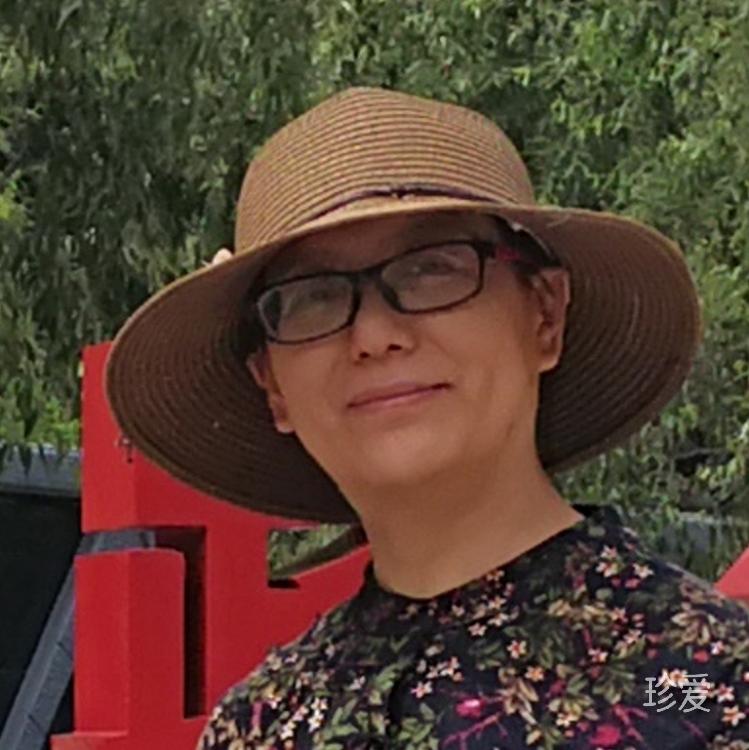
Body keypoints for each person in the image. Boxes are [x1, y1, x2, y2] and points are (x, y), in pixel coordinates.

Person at [104, 87, 749, 748]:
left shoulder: (706, 681)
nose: (375, 334)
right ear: (272, 385)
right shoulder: (262, 726)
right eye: (313, 296)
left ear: (544, 314)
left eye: (430, 270)